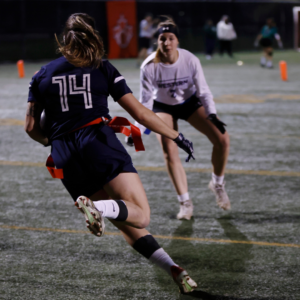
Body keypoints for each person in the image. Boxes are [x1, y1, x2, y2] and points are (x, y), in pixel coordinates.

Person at [24, 13, 197, 293]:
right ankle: (98, 209)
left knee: (127, 223)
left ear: (64, 40)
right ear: (91, 36)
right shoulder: (101, 67)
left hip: (64, 154)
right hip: (97, 142)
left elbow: (31, 128)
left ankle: (174, 270)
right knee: (140, 215)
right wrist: (176, 135)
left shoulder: (41, 74)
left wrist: (53, 141)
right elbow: (140, 112)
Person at [126, 18, 231, 221]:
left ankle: (217, 183)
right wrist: (137, 129)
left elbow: (204, 91)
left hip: (189, 103)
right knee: (169, 149)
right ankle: (185, 202)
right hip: (162, 107)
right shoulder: (149, 66)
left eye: (171, 38)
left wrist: (212, 114)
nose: (166, 43)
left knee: (223, 139)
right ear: (157, 41)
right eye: (162, 38)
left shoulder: (190, 60)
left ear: (177, 41)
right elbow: (145, 104)